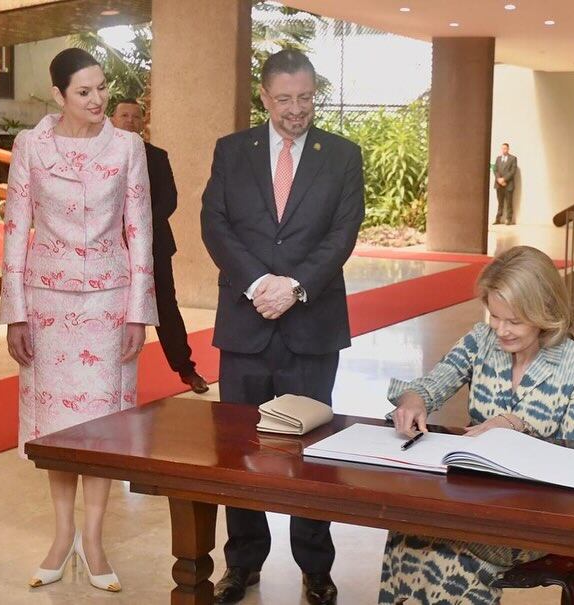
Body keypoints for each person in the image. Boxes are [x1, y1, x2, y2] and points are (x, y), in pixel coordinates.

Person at [201, 49, 364, 605]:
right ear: (265, 98)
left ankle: (316, 568)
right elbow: (215, 224)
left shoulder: (342, 155)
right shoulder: (232, 151)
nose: (297, 110)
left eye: (307, 98)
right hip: (246, 325)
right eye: (286, 99)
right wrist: (256, 286)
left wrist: (293, 288)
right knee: (240, 447)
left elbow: (342, 234)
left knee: (311, 452)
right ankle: (243, 564)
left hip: (311, 326)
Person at [0, 48, 158, 593]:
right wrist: (14, 312)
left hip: (109, 306)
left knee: (102, 428)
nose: (98, 100)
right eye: (84, 92)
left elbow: (140, 230)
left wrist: (139, 312)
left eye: (101, 88)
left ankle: (94, 539)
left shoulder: (129, 146)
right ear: (60, 95)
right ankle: (61, 535)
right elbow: (16, 228)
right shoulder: (30, 146)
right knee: (56, 429)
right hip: (46, 307)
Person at [381, 246, 574, 605]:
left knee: (451, 557)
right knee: (406, 530)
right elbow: (434, 382)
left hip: (532, 515)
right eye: (494, 316)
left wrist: (518, 428)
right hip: (470, 500)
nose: (500, 330)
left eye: (513, 321)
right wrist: (414, 399)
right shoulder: (481, 340)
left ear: (545, 311)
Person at [110, 98, 209, 394]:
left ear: (143, 122)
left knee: (165, 307)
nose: (130, 120)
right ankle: (106, 375)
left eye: (135, 116)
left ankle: (186, 369)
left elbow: (169, 200)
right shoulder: (99, 156)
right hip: (111, 248)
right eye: (124, 115)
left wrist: (137, 227)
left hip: (154, 245)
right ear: (112, 119)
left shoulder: (157, 156)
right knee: (110, 309)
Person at [493, 142, 517, 225]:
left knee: (509, 203)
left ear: (508, 149)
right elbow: (494, 169)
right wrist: (499, 179)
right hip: (499, 185)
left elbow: (513, 171)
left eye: (505, 148)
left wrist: (504, 179)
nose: (504, 150)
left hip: (508, 185)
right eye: (502, 148)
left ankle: (508, 219)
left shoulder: (513, 158)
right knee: (500, 203)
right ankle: (498, 219)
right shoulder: (498, 158)